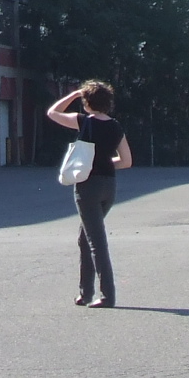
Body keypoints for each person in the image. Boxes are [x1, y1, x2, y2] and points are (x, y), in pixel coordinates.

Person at [47, 81, 132, 308]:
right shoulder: (115, 126)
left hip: (88, 186)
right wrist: (104, 161)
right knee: (85, 238)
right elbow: (126, 161)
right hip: (109, 186)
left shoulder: (84, 121)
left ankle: (107, 295)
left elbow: (52, 113)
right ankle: (85, 293)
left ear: (87, 102)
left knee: (96, 242)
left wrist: (72, 95)